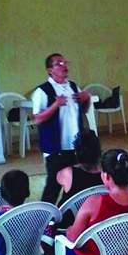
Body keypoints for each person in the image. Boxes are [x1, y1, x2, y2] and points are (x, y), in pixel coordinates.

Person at [65, 149, 128, 255]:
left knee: (61, 245)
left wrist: (68, 230)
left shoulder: (94, 203)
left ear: (106, 176)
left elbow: (73, 238)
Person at [32, 53, 93, 204]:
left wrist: (87, 99)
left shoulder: (73, 86)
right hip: (55, 148)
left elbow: (83, 110)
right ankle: (45, 215)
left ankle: (69, 213)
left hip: (76, 146)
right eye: (59, 64)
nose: (64, 66)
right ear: (50, 70)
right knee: (53, 186)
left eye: (65, 62)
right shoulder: (42, 91)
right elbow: (38, 119)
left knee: (76, 184)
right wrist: (55, 105)